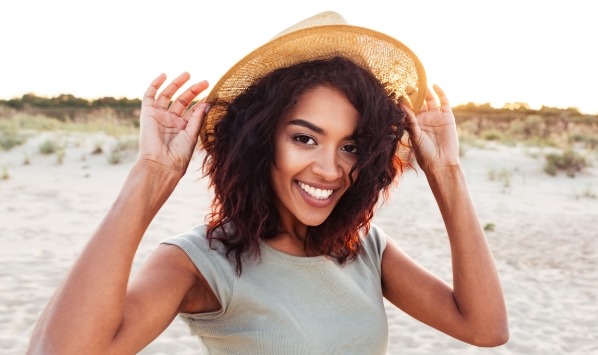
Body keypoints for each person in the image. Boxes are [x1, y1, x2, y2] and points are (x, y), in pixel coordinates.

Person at [27, 11, 508, 354]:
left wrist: (448, 175)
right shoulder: (198, 264)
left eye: (351, 145)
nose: (330, 168)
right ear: (260, 140)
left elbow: (485, 328)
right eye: (305, 138)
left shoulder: (364, 249)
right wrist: (150, 176)